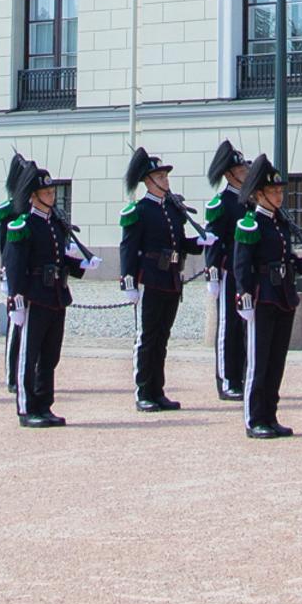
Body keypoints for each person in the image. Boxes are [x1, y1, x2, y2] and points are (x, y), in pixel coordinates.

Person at [235, 157, 302, 437]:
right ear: (259, 194)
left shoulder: (279, 223)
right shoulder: (251, 224)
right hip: (262, 296)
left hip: (282, 294)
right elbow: (241, 264)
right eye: (274, 192)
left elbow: (289, 259)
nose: (279, 196)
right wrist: (244, 295)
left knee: (276, 360)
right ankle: (254, 418)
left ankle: (270, 414)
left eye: (281, 191)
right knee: (259, 361)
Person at [0, 154, 81, 426]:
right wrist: (16, 300)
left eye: (53, 190)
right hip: (34, 294)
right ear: (33, 196)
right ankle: (27, 407)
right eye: (46, 191)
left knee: (50, 354)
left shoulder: (53, 222)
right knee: (28, 353)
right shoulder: (23, 225)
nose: (51, 195)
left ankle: (44, 403)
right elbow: (15, 266)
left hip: (56, 293)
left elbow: (58, 257)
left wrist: (81, 265)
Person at [118, 147, 194, 412]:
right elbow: (128, 247)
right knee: (147, 337)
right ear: (148, 181)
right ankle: (144, 391)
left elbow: (180, 243)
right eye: (160, 177)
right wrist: (128, 281)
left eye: (165, 177)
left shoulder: (172, 209)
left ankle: (157, 389)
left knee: (163, 336)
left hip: (170, 277)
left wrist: (202, 242)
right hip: (149, 278)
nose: (165, 181)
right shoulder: (139, 211)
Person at [199, 142, 255, 402]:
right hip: (228, 271)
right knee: (228, 327)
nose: (245, 170)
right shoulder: (223, 203)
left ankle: (242, 375)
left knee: (246, 327)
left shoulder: (250, 200)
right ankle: (227, 379)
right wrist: (212, 274)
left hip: (248, 271)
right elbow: (213, 241)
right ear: (229, 174)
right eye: (240, 168)